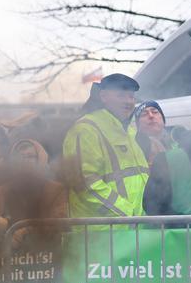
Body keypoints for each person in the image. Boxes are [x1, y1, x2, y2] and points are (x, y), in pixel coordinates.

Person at [62, 73, 149, 218]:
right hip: (101, 233)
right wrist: (128, 213)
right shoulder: (86, 129)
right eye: (121, 95)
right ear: (103, 96)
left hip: (133, 229)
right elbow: (84, 182)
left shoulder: (130, 132)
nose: (129, 101)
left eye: (131, 97)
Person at [0, 137, 67, 246]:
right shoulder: (5, 190)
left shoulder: (56, 190)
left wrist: (25, 230)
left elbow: (59, 221)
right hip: (12, 256)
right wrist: (3, 223)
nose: (25, 161)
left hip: (49, 252)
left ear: (40, 158)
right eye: (20, 157)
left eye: (30, 157)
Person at [132, 100, 174, 166]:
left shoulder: (176, 141)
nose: (151, 116)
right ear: (138, 125)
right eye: (144, 114)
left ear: (163, 119)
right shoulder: (134, 148)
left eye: (155, 112)